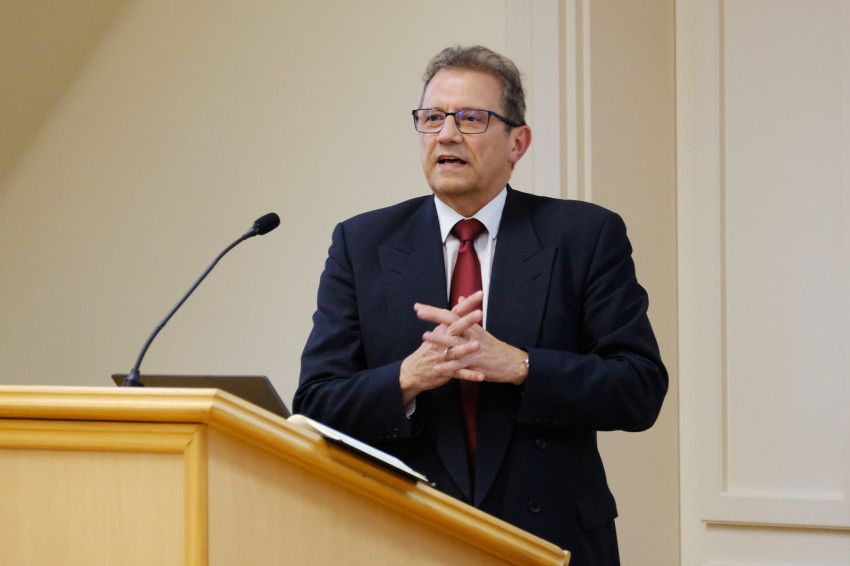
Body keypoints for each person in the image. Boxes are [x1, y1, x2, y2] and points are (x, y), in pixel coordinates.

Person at [293, 45, 667, 566]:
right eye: (432, 118)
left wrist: (521, 366)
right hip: (406, 537)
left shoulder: (584, 235)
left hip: (551, 539)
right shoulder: (362, 243)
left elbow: (639, 389)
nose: (446, 134)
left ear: (518, 142)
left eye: (471, 118)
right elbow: (315, 403)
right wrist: (407, 377)